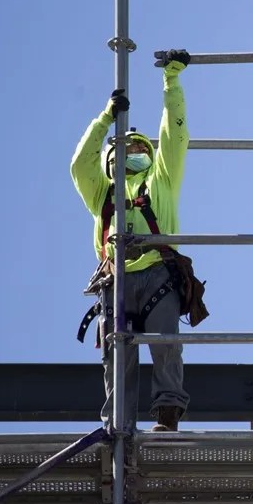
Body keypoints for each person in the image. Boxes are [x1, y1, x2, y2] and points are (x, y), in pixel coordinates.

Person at [71, 49, 192, 432]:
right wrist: (105, 118)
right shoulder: (102, 192)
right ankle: (118, 424)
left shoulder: (161, 181)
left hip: (157, 272)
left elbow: (174, 134)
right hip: (117, 278)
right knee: (116, 355)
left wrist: (171, 82)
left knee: (165, 344)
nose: (134, 152)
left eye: (140, 147)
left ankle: (168, 413)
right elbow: (79, 164)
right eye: (124, 149)